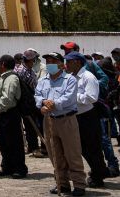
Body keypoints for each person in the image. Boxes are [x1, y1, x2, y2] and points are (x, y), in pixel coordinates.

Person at [35, 52, 86, 196]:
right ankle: (62, 184)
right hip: (49, 120)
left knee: (72, 153)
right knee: (54, 153)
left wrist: (52, 104)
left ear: (60, 64)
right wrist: (43, 103)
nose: (50, 63)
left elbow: (69, 98)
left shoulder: (69, 79)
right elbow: (37, 95)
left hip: (66, 119)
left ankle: (79, 184)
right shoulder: (43, 80)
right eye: (47, 61)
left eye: (53, 61)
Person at [65, 52, 109, 188]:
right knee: (83, 148)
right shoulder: (71, 77)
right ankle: (99, 170)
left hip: (88, 117)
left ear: (77, 62)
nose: (67, 65)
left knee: (93, 147)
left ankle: (98, 175)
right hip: (76, 116)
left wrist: (74, 97)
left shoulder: (88, 77)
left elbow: (91, 97)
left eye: (69, 62)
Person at [0, 54, 27, 179]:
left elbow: (7, 98)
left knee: (14, 142)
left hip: (9, 114)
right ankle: (7, 167)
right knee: (3, 142)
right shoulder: (1, 76)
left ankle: (19, 168)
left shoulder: (11, 79)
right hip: (1, 115)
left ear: (3, 65)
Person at [16, 49, 46, 158]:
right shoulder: (21, 71)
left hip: (34, 100)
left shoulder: (30, 70)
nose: (34, 62)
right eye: (33, 60)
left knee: (39, 124)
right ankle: (34, 148)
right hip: (27, 102)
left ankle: (42, 146)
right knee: (30, 126)